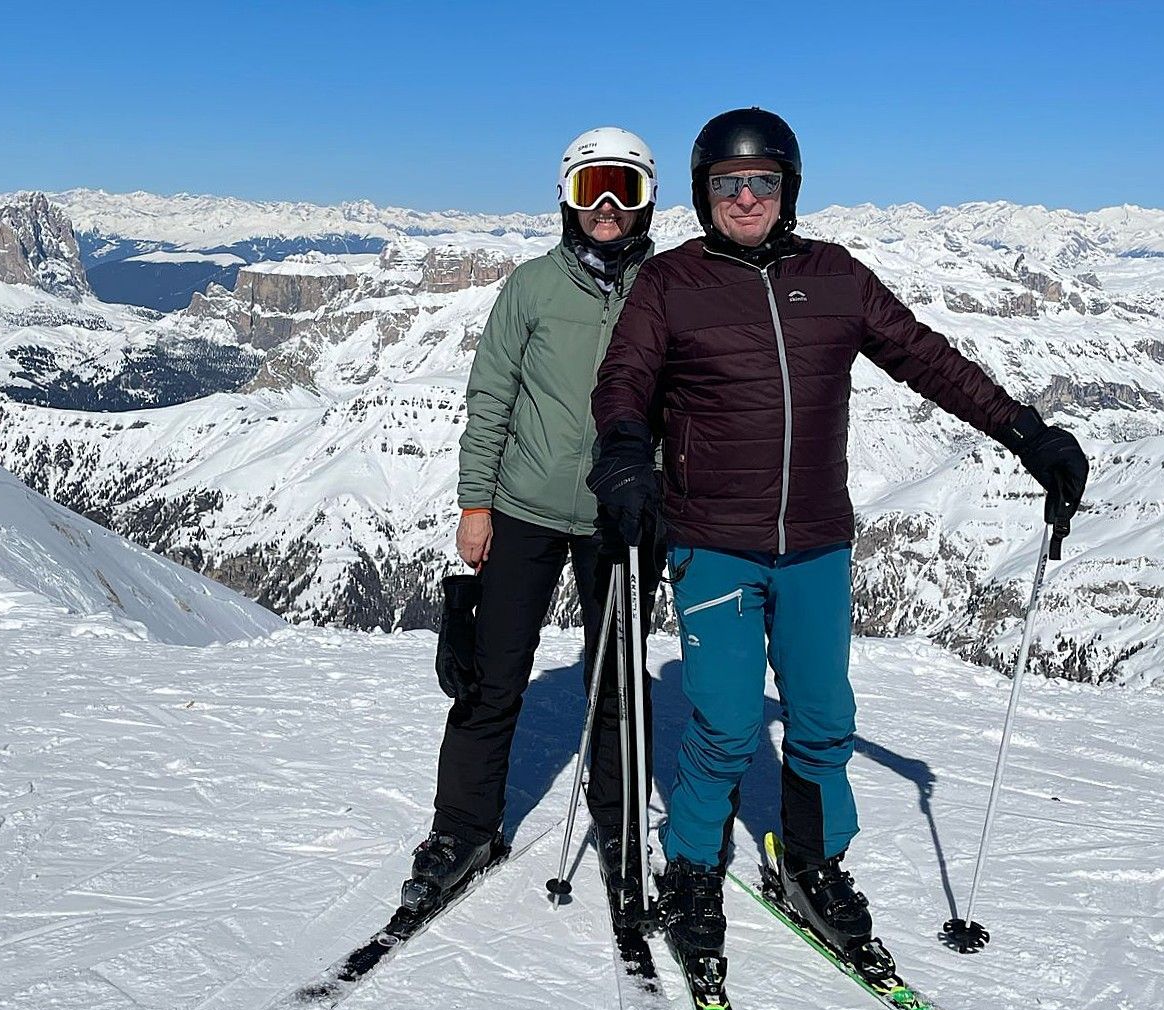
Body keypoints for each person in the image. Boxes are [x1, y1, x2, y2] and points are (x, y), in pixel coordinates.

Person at [588, 107, 1088, 960]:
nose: (745, 197)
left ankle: (811, 861)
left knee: (822, 719)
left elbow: (927, 358)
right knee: (726, 724)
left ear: (789, 189)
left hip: (818, 539)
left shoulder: (835, 277)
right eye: (726, 183)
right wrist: (627, 454)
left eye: (763, 181)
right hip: (714, 538)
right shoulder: (670, 283)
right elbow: (623, 379)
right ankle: (695, 868)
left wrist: (1025, 433)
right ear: (704, 193)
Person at [402, 126, 664, 918]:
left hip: (621, 518)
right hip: (522, 509)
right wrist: (475, 504)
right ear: (567, 200)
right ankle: (464, 829)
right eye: (592, 190)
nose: (608, 208)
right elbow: (492, 399)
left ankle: (619, 831)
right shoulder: (530, 287)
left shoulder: (668, 288)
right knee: (491, 677)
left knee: (616, 680)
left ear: (647, 198)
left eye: (623, 188)